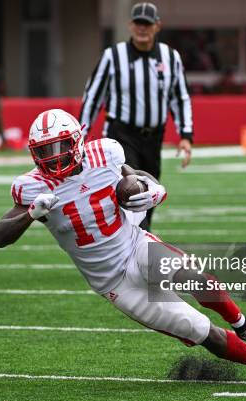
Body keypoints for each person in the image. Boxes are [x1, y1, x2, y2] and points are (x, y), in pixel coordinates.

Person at [0, 109, 246, 382]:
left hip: (135, 245)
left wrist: (151, 190)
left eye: (59, 146)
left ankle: (245, 324)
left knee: (196, 279)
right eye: (44, 151)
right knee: (201, 331)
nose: (53, 157)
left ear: (77, 141)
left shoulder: (105, 153)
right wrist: (30, 215)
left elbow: (134, 177)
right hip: (115, 284)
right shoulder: (32, 187)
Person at [79, 2, 193, 231]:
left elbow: (180, 97)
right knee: (129, 187)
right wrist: (81, 133)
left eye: (147, 24)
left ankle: (141, 234)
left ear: (157, 26)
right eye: (139, 23)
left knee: (150, 188)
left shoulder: (170, 57)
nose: (143, 28)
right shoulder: (113, 56)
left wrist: (186, 135)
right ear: (130, 25)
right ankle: (134, 238)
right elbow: (93, 96)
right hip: (121, 134)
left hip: (153, 137)